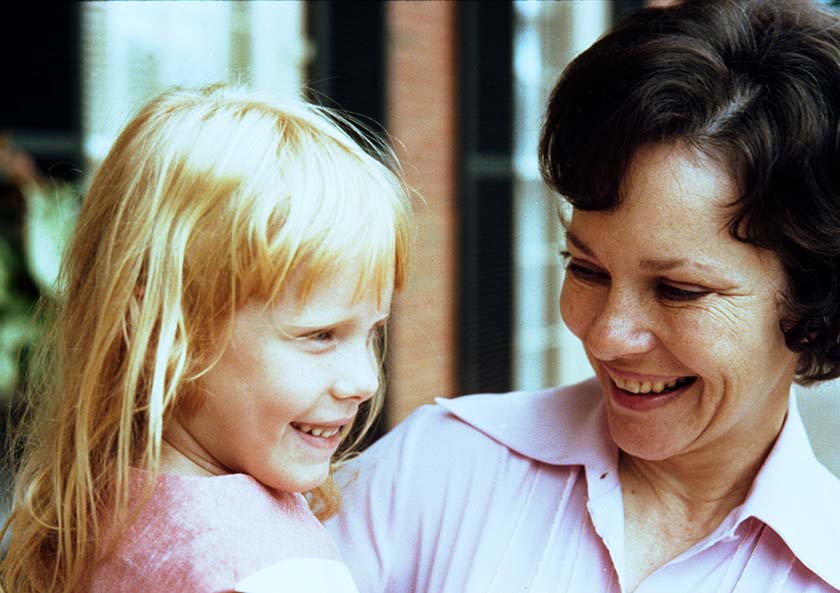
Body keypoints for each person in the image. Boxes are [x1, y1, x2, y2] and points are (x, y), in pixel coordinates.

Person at [326, 0, 840, 591]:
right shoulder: (437, 468)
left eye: (678, 290)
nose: (604, 334)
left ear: (813, 306)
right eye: (587, 268)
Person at [0, 84, 412, 593]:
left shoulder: (85, 510)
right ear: (162, 331)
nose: (365, 381)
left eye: (372, 332)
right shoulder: (263, 564)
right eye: (320, 335)